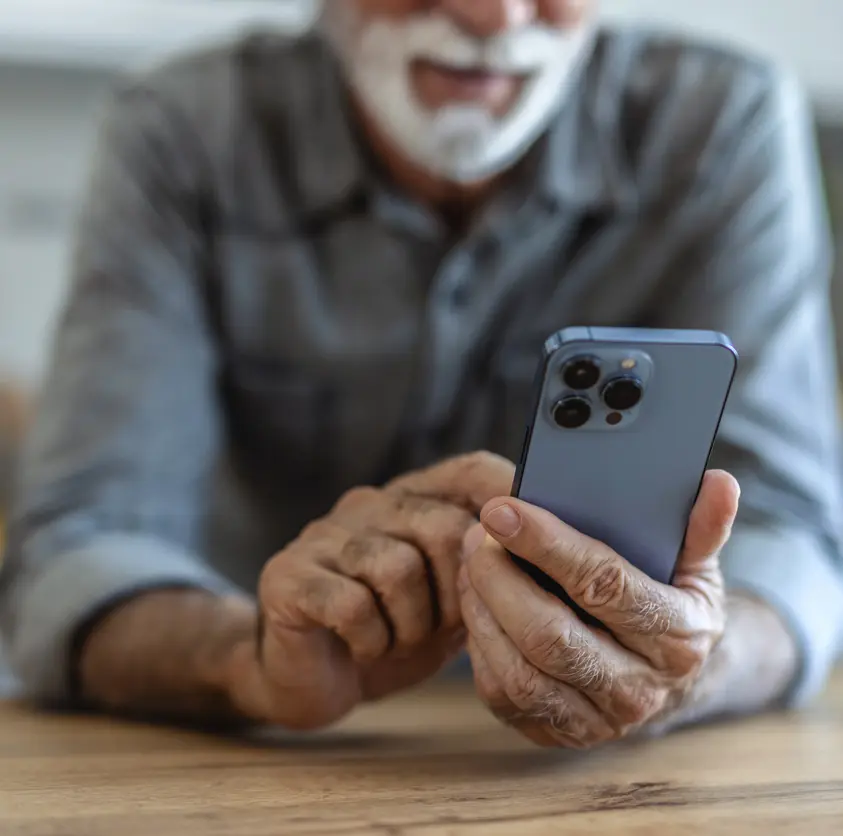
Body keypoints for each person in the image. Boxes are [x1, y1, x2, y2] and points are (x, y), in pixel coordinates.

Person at [1, 0, 841, 747]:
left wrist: (693, 661)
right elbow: (79, 550)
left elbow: (794, 536)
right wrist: (244, 659)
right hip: (276, 756)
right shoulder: (182, 130)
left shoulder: (719, 125)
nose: (493, 16)